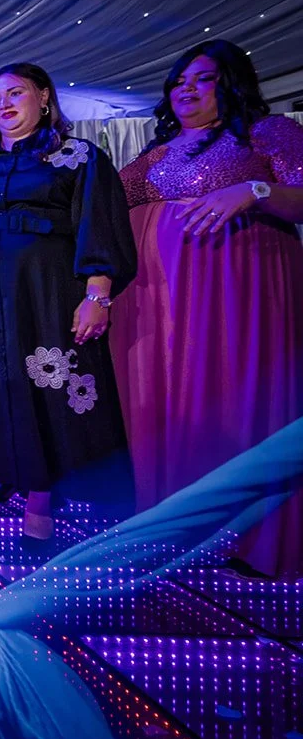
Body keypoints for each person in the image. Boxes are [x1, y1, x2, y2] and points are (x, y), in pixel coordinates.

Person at [0, 64, 136, 547]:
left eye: (15, 93)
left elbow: (98, 230)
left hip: (43, 288)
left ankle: (40, 499)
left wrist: (97, 296)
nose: (5, 105)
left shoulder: (79, 157)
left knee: (43, 388)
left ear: (42, 96)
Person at [112, 40, 303, 578]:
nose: (185, 90)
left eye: (202, 79)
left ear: (233, 84)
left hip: (240, 290)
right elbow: (103, 204)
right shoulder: (158, 152)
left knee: (237, 394)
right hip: (159, 298)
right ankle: (169, 528)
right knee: (166, 404)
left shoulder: (268, 134)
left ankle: (255, 539)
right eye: (178, 82)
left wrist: (255, 188)